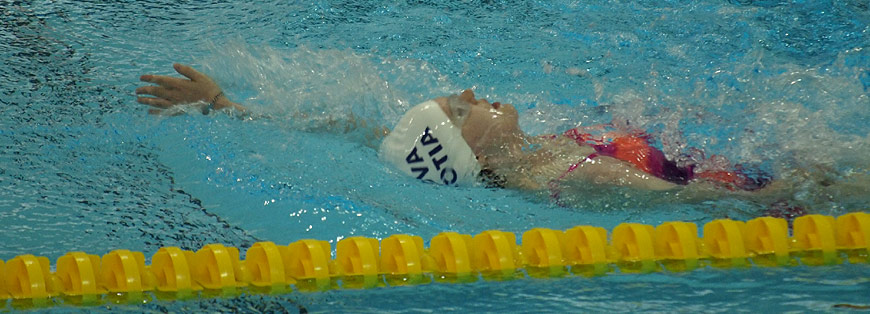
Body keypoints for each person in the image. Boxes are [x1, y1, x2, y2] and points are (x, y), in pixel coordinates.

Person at [136, 64, 778, 202]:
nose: (473, 95)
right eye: (461, 109)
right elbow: (690, 202)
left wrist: (226, 104)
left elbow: (340, 130)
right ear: (470, 149)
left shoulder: (516, 153)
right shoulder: (564, 176)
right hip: (769, 194)